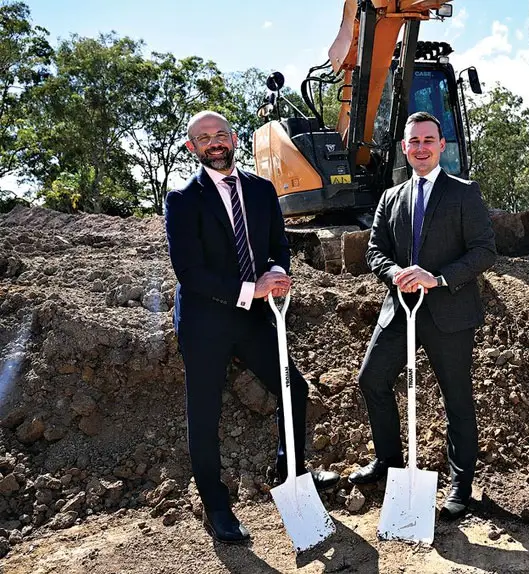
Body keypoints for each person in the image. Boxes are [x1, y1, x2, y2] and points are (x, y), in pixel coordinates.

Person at [164, 110, 338, 544]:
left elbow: (278, 245)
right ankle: (216, 505)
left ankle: (291, 472)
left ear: (234, 139)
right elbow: (189, 271)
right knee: (205, 411)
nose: (214, 142)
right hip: (205, 320)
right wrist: (251, 288)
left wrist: (277, 272)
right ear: (192, 148)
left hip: (255, 316)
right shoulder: (183, 200)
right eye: (204, 138)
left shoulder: (262, 191)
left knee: (293, 388)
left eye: (220, 134)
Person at [348, 111, 497, 520]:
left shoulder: (465, 194)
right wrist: (395, 272)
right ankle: (389, 463)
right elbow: (375, 251)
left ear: (441, 145)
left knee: (456, 399)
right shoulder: (390, 198)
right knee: (372, 380)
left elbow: (485, 251)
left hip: (450, 313)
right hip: (399, 311)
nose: (420, 147)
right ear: (404, 148)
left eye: (428, 140)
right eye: (413, 141)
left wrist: (439, 278)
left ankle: (460, 485)